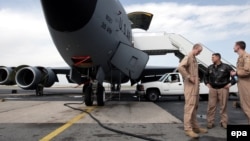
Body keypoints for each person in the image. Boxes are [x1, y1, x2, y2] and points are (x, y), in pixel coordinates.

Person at [178, 43, 208, 138]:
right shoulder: (189, 56)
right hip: (190, 88)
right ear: (195, 48)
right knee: (189, 108)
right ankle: (188, 129)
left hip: (195, 88)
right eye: (199, 51)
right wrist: (188, 76)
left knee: (194, 108)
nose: (199, 53)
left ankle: (195, 127)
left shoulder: (194, 58)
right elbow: (180, 67)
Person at [204, 53, 236, 129]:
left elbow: (236, 77)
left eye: (213, 57)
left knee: (223, 106)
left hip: (223, 89)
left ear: (218, 58)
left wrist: (230, 84)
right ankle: (210, 122)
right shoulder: (210, 67)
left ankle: (224, 122)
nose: (211, 59)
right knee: (211, 106)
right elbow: (205, 76)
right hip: (213, 89)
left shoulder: (226, 67)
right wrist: (207, 84)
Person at [231, 41, 250, 124]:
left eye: (234, 46)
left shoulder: (246, 56)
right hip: (242, 84)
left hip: (246, 84)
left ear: (238, 47)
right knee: (245, 106)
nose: (233, 47)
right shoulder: (240, 57)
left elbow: (247, 71)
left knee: (247, 106)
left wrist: (236, 73)